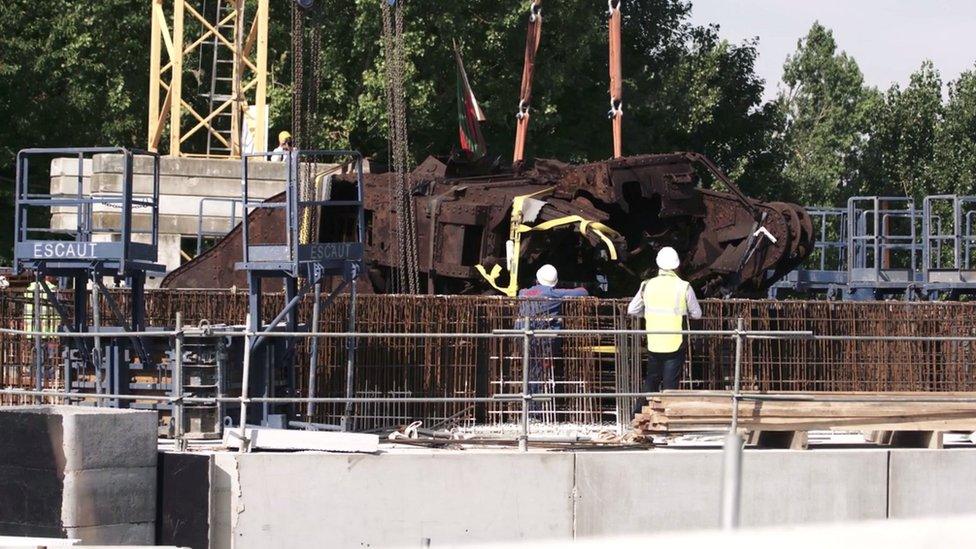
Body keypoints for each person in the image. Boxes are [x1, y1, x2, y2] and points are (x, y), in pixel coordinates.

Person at [628, 247, 702, 415]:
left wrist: (646, 313)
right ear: (677, 265)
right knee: (670, 384)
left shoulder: (646, 285)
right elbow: (697, 314)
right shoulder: (684, 287)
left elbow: (632, 310)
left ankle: (638, 414)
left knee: (652, 380)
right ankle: (667, 418)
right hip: (675, 343)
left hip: (654, 341)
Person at [516, 265, 588, 416]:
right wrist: (567, 289)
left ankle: (530, 408)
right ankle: (535, 411)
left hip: (521, 336)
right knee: (539, 373)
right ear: (555, 282)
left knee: (530, 370)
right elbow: (582, 292)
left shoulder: (523, 292)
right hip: (543, 341)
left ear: (537, 278)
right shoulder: (553, 293)